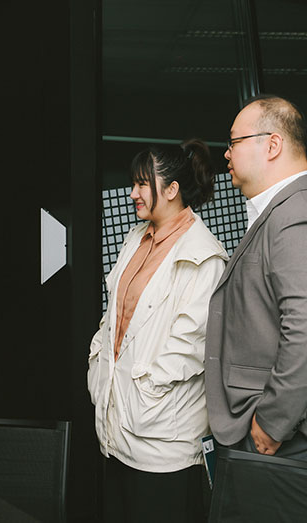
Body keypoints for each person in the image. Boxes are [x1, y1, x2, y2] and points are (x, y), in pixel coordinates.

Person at [205, 94, 307, 465]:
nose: (226, 153)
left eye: (234, 142)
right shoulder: (283, 212)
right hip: (277, 430)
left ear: (272, 145)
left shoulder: (297, 218)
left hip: (289, 437)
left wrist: (273, 421)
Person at [87, 139, 228, 523]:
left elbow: (190, 347)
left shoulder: (204, 256)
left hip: (164, 437)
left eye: (142, 184)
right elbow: (114, 316)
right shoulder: (136, 238)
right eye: (133, 183)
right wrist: (99, 368)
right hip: (117, 427)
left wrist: (145, 390)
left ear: (171, 189)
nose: (133, 193)